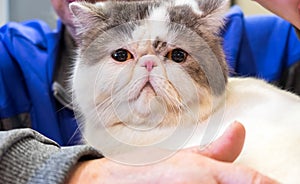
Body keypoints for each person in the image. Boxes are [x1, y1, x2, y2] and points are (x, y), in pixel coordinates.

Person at [0, 0, 299, 183]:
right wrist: (78, 175)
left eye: (177, 56)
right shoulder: (12, 57)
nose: (148, 67)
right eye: (121, 56)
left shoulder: (268, 39)